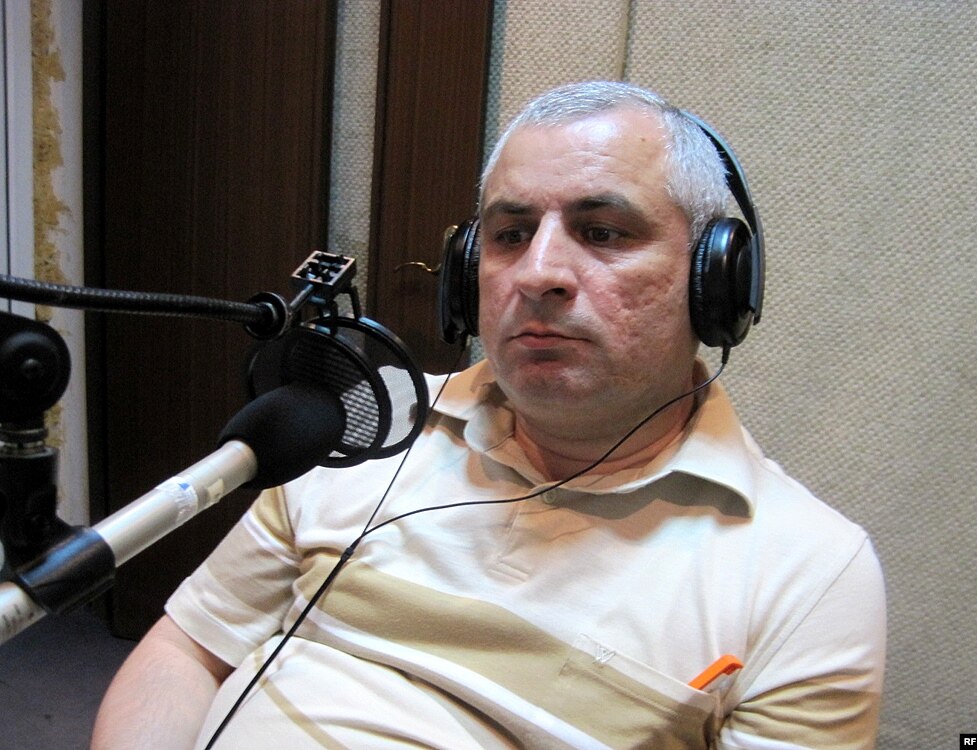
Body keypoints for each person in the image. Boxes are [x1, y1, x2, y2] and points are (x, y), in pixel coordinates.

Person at [92, 81, 885, 749]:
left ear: (715, 279)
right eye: (509, 235)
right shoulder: (368, 423)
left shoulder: (809, 573)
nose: (538, 273)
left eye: (601, 232)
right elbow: (188, 650)